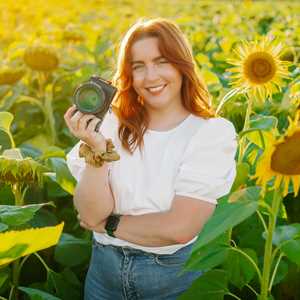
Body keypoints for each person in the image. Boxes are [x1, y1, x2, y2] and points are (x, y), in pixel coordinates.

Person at [64, 17, 238, 300]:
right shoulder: (111, 123)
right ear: (129, 75)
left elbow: (179, 228)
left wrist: (109, 224)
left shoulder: (210, 133)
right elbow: (90, 213)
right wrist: (96, 149)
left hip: (171, 279)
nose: (151, 76)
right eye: (138, 66)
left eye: (161, 61)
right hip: (102, 275)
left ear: (182, 65)